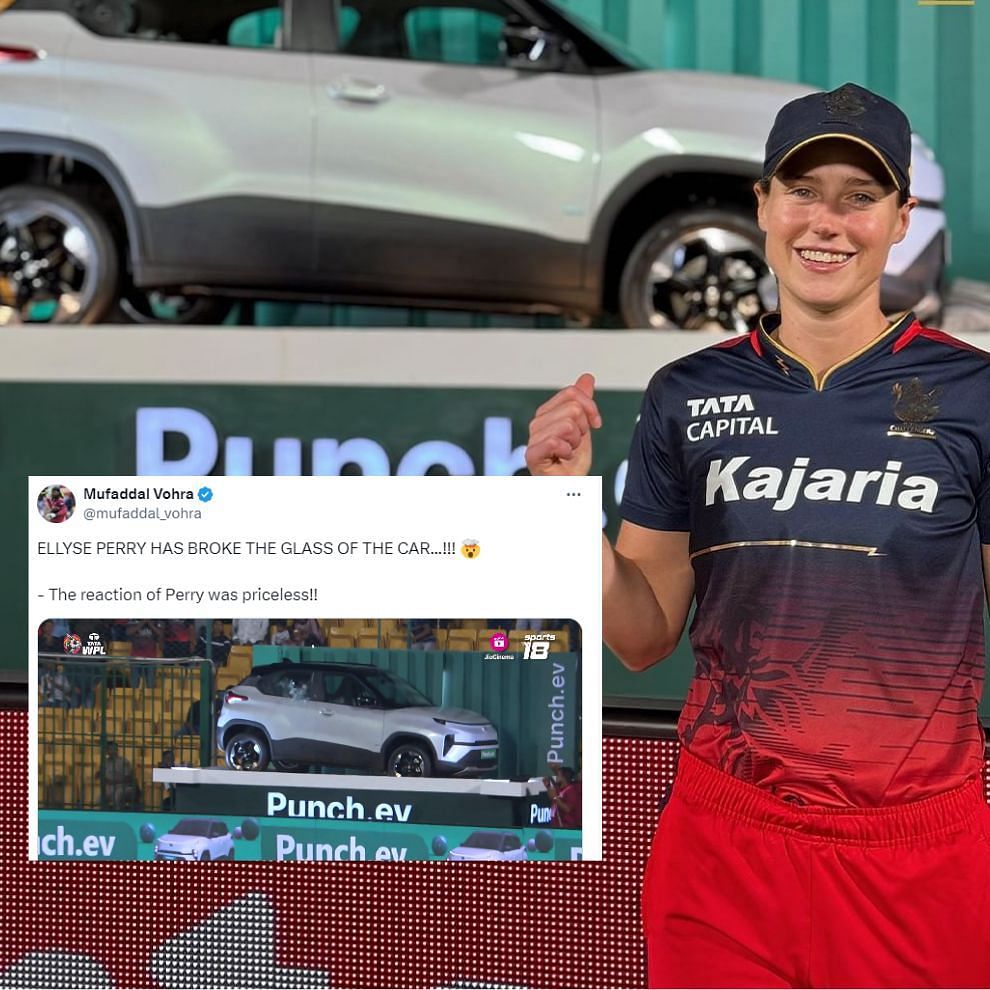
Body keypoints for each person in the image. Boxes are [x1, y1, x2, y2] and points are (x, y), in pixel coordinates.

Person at [526, 83, 990, 988]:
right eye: (803, 189)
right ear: (764, 207)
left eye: (861, 196)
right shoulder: (686, 394)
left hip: (915, 855)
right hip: (725, 849)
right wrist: (564, 510)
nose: (829, 220)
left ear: (901, 220)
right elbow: (641, 634)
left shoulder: (974, 395)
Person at [96, 741, 138, 810]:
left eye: (111, 749)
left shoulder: (123, 761)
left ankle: (118, 813)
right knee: (100, 799)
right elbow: (100, 776)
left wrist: (114, 781)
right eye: (108, 749)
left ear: (116, 750)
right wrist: (99, 775)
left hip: (125, 787)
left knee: (118, 795)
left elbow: (128, 778)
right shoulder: (105, 762)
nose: (109, 751)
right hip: (110, 788)